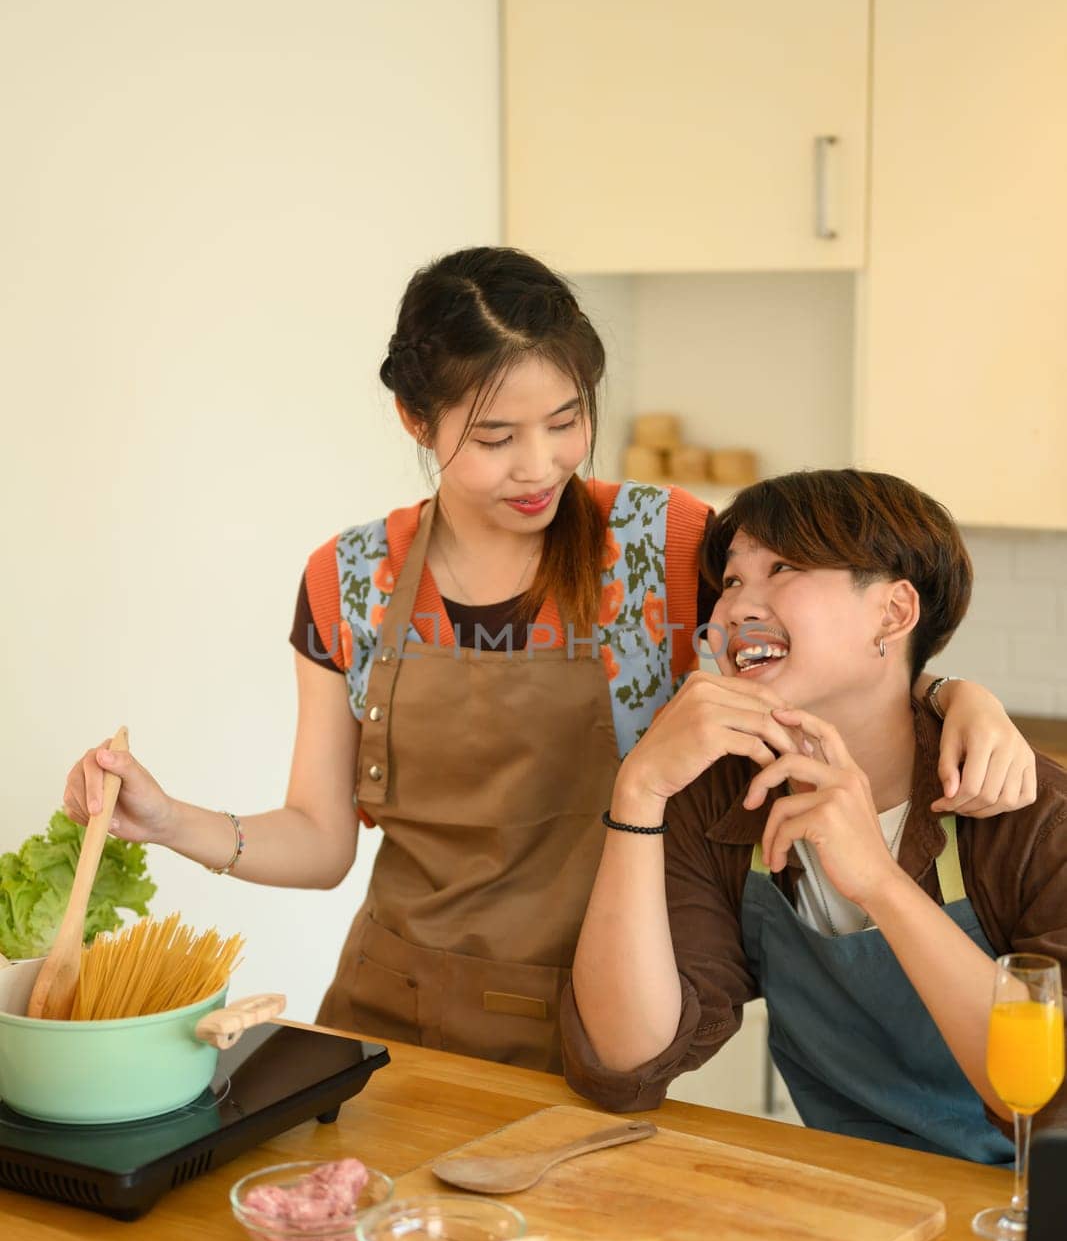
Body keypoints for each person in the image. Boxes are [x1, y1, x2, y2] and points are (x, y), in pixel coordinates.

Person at [64, 252, 1036, 1073]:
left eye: (565, 420)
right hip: (378, 1012)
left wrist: (952, 693)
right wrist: (170, 821)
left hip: (589, 1023)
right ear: (415, 419)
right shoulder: (349, 578)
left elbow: (814, 648)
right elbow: (321, 842)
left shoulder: (663, 544)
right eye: (495, 437)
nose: (539, 465)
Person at [564, 468, 1066, 1160]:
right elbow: (626, 1061)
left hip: (1026, 1210)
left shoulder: (1030, 813)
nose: (736, 608)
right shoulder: (716, 795)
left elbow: (1048, 1102)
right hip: (845, 1196)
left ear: (891, 614)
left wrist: (879, 884)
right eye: (731, 581)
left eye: (784, 568)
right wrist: (639, 792)